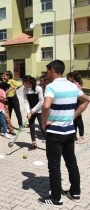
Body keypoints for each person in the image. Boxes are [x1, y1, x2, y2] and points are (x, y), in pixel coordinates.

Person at [39, 60, 89, 207]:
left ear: (53, 70)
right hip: (69, 132)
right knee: (71, 163)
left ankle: (56, 198)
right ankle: (75, 193)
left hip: (55, 133)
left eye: (48, 70)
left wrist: (44, 122)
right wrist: (72, 117)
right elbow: (86, 100)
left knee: (54, 166)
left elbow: (46, 105)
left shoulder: (51, 87)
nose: (47, 73)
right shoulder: (72, 85)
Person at [22, 75, 45, 150]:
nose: (22, 83)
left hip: (39, 110)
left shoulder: (38, 88)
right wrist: (28, 111)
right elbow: (26, 101)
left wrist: (33, 110)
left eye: (24, 82)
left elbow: (41, 101)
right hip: (31, 111)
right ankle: (33, 143)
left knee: (42, 126)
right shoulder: (25, 90)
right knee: (31, 126)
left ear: (28, 82)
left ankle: (49, 141)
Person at [67, 72, 85, 144]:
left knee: (78, 120)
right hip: (73, 103)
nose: (67, 79)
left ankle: (81, 136)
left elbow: (80, 95)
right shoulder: (73, 84)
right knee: (74, 120)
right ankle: (74, 136)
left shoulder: (76, 84)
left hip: (77, 103)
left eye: (68, 77)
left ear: (72, 77)